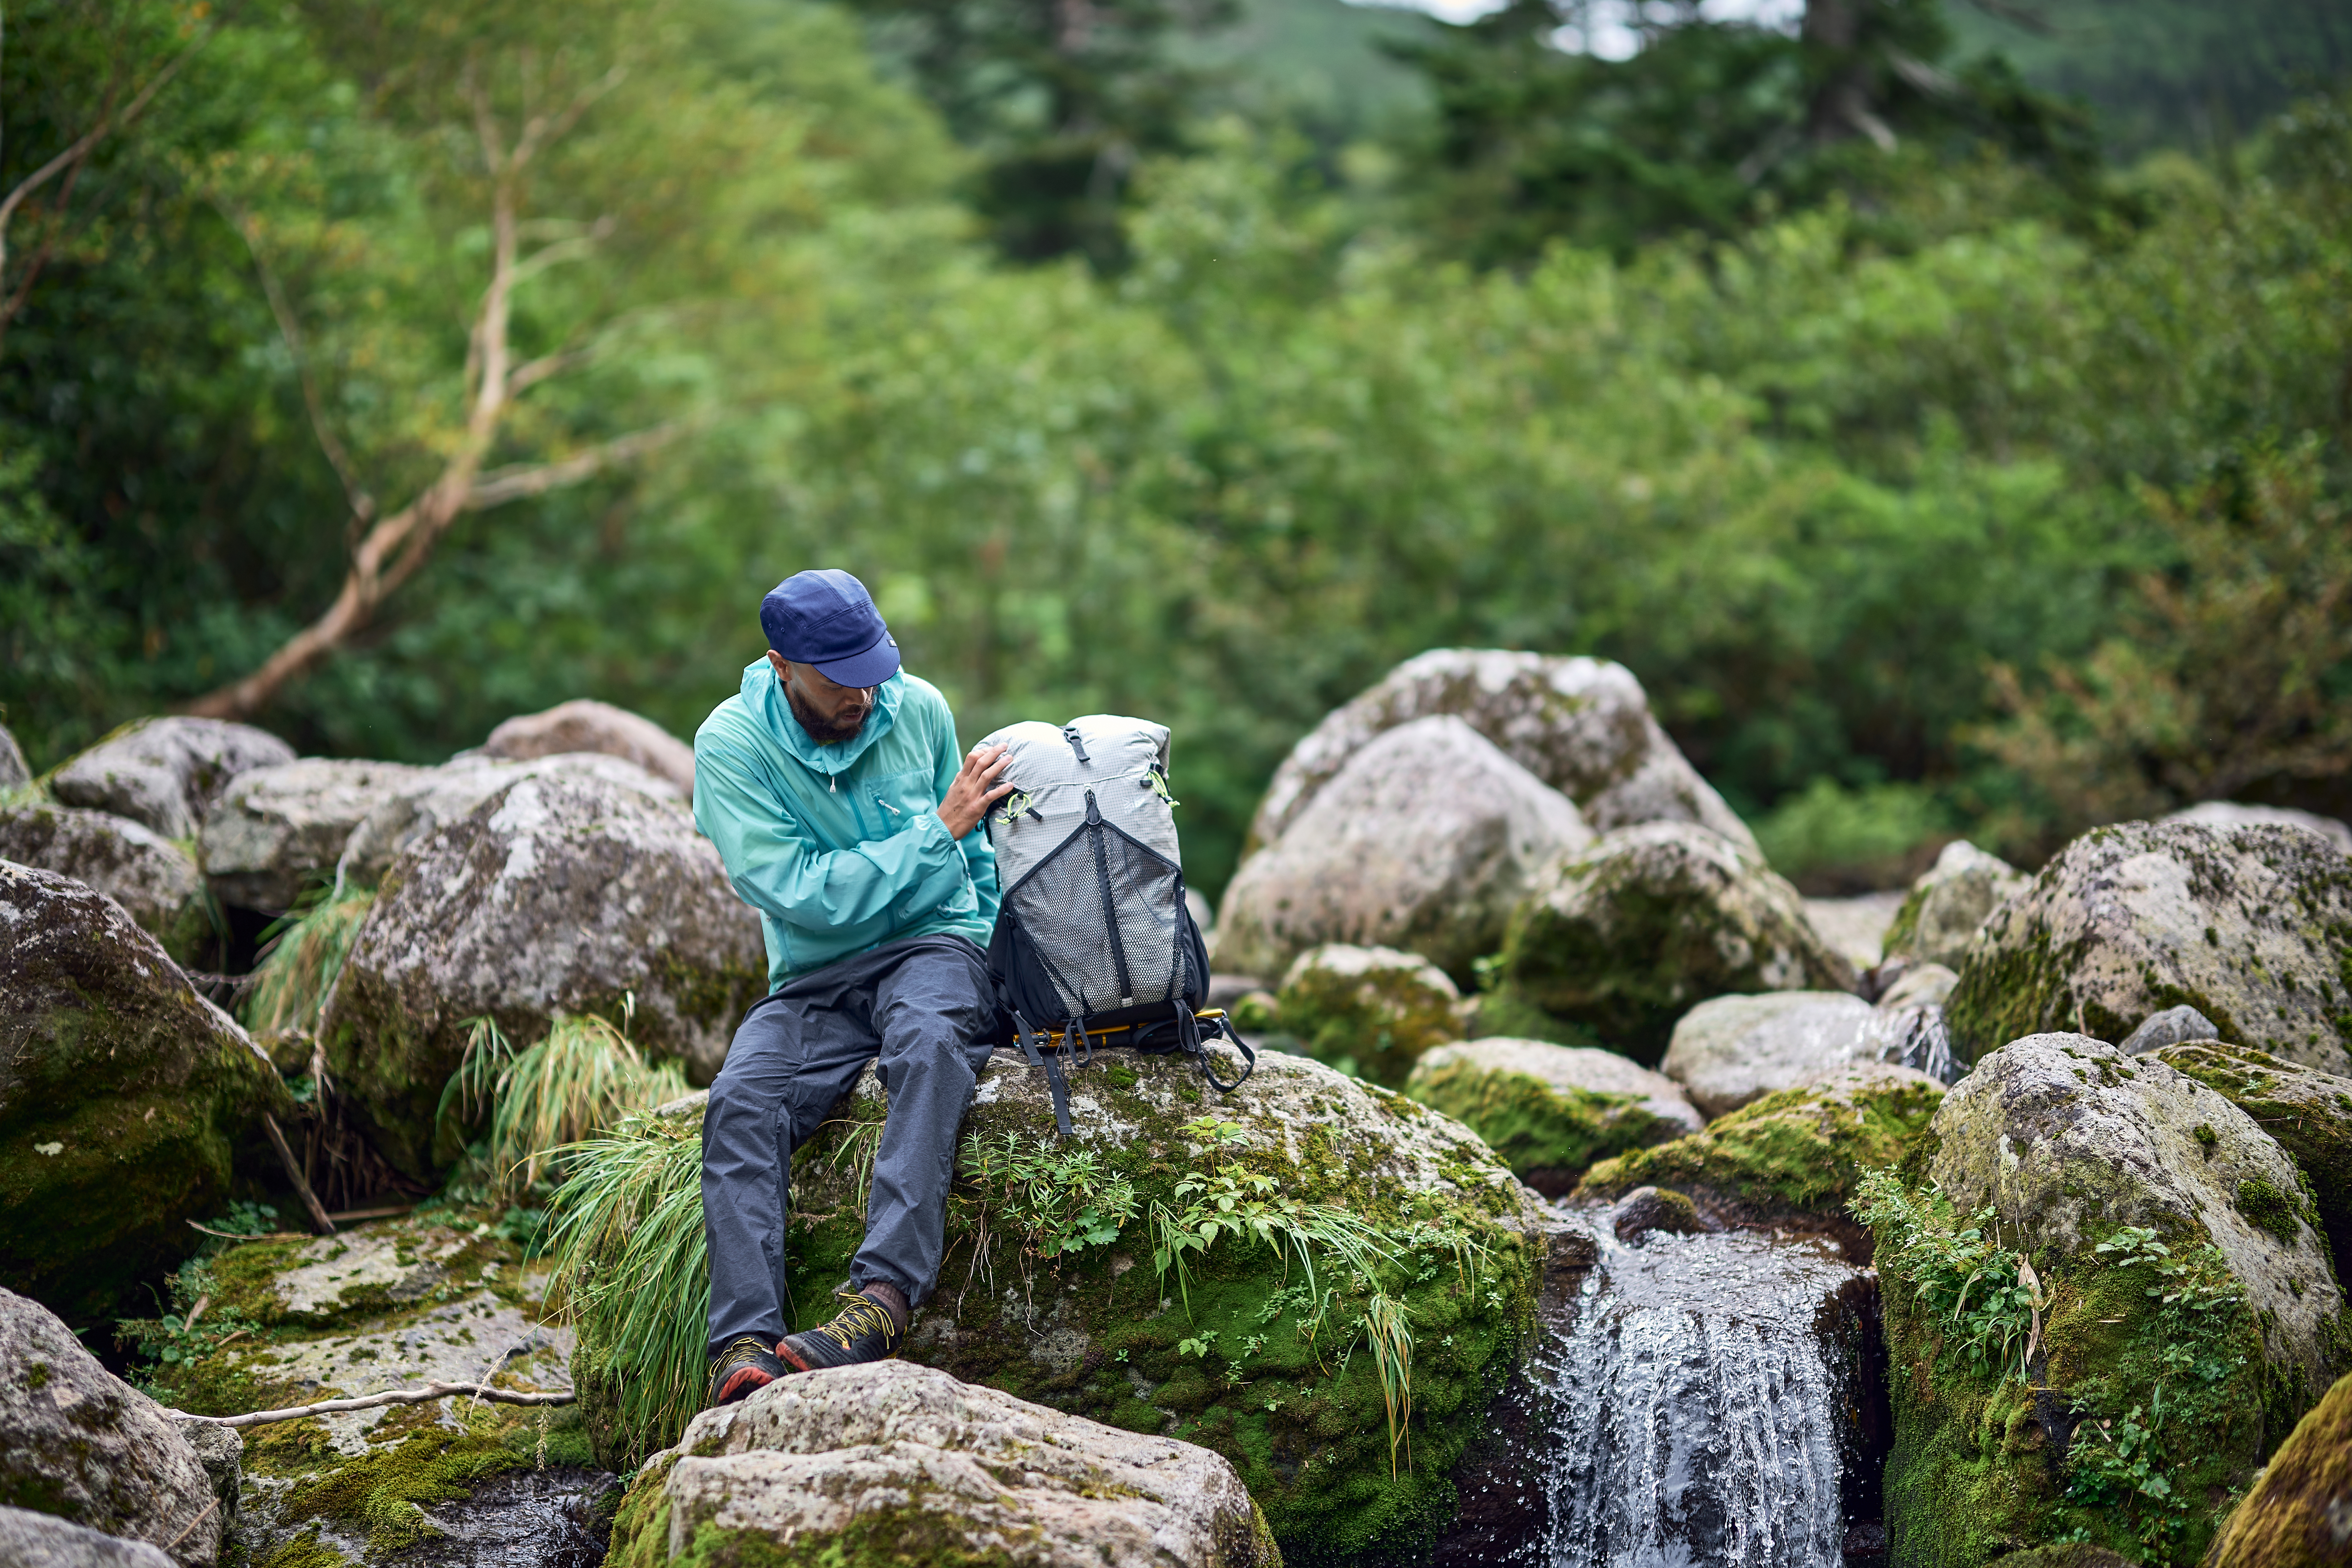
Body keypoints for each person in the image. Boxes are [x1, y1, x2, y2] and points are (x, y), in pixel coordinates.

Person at [692, 568, 1014, 1406]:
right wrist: (932, 837)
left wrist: (983, 961)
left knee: (929, 1044)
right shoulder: (731, 746)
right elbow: (801, 893)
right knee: (741, 1099)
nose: (866, 697)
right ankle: (744, 1343)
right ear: (781, 665)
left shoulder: (924, 710)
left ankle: (882, 1300)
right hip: (814, 974)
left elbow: (976, 866)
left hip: (934, 944)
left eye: (876, 671)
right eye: (842, 680)